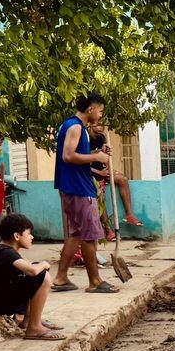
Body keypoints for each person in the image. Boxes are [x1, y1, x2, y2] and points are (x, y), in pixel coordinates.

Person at [51, 94, 119, 294]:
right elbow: (68, 156)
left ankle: (61, 278)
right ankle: (95, 281)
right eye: (100, 111)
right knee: (89, 236)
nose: (100, 115)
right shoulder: (75, 127)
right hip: (78, 188)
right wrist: (96, 157)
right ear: (91, 109)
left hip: (73, 186)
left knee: (76, 234)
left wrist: (98, 152)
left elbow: (78, 155)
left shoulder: (74, 126)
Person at [0, 213, 63, 341]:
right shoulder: (5, 252)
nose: (32, 237)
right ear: (17, 236)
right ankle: (34, 327)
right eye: (29, 234)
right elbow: (32, 271)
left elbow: (27, 266)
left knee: (34, 273)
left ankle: (28, 321)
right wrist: (44, 264)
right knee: (43, 276)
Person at [85, 122, 141, 231]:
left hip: (101, 170)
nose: (100, 128)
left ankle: (129, 215)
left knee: (122, 179)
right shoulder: (85, 138)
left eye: (102, 126)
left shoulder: (101, 137)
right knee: (100, 195)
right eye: (98, 126)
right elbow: (82, 162)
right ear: (90, 126)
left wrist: (109, 169)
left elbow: (105, 156)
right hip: (89, 173)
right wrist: (99, 172)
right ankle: (108, 230)